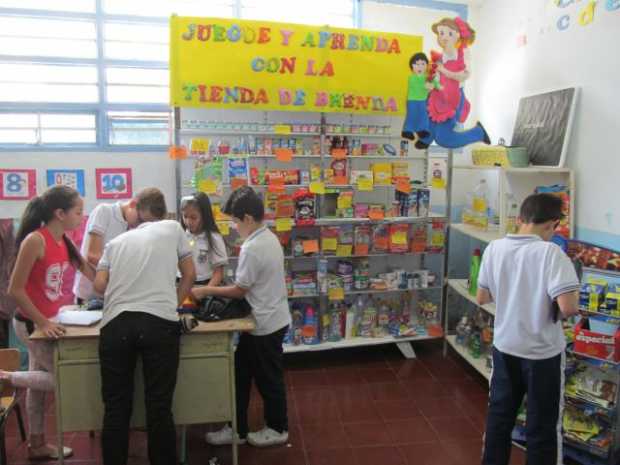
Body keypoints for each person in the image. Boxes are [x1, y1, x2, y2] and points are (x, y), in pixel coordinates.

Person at [93, 187, 195, 465]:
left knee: (116, 407)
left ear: (137, 208)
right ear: (163, 211)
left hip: (116, 325)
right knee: (159, 406)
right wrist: (171, 303)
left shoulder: (116, 243)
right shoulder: (173, 228)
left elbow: (99, 286)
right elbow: (189, 274)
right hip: (158, 324)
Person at [477, 193, 580, 465]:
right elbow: (568, 307)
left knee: (499, 417)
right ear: (552, 224)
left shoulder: (494, 248)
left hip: (505, 346)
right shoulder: (552, 254)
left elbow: (482, 297)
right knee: (542, 425)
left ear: (520, 219)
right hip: (541, 354)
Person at [2, 185, 95, 460]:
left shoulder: (64, 240)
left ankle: (37, 444)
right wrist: (42, 322)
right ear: (59, 213)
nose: (81, 216)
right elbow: (15, 289)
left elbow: (90, 274)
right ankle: (7, 377)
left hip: (49, 321)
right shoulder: (36, 240)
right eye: (78, 211)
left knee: (38, 390)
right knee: (61, 379)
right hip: (31, 323)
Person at [194, 186, 291, 448]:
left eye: (235, 221)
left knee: (268, 379)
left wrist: (206, 289)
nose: (235, 227)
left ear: (248, 218)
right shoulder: (268, 237)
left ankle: (278, 428)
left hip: (265, 324)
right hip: (264, 319)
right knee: (239, 374)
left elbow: (239, 290)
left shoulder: (254, 247)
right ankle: (235, 428)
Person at [417, 16, 490, 149]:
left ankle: (478, 133)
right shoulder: (440, 57)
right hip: (438, 95)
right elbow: (436, 78)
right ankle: (427, 139)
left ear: (457, 36)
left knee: (444, 139)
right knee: (430, 119)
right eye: (441, 33)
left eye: (449, 33)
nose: (444, 37)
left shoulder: (463, 54)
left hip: (453, 98)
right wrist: (431, 84)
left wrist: (444, 71)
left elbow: (464, 76)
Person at [72, 198, 139, 305]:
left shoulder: (133, 226)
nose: (138, 223)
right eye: (139, 218)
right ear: (133, 204)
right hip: (89, 294)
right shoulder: (104, 211)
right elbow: (93, 256)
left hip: (112, 294)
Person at [179, 192, 228, 289]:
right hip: (182, 284)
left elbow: (218, 274)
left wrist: (205, 292)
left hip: (205, 285)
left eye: (193, 217)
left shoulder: (214, 238)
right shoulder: (181, 235)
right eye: (185, 216)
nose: (188, 222)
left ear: (204, 216)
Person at [401, 52, 437, 142]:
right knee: (412, 116)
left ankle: (421, 130)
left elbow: (433, 83)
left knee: (423, 115)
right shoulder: (412, 77)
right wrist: (427, 87)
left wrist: (436, 86)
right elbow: (421, 85)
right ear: (412, 66)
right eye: (417, 64)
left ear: (426, 65)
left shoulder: (427, 77)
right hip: (412, 101)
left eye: (422, 64)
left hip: (422, 101)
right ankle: (407, 131)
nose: (420, 67)